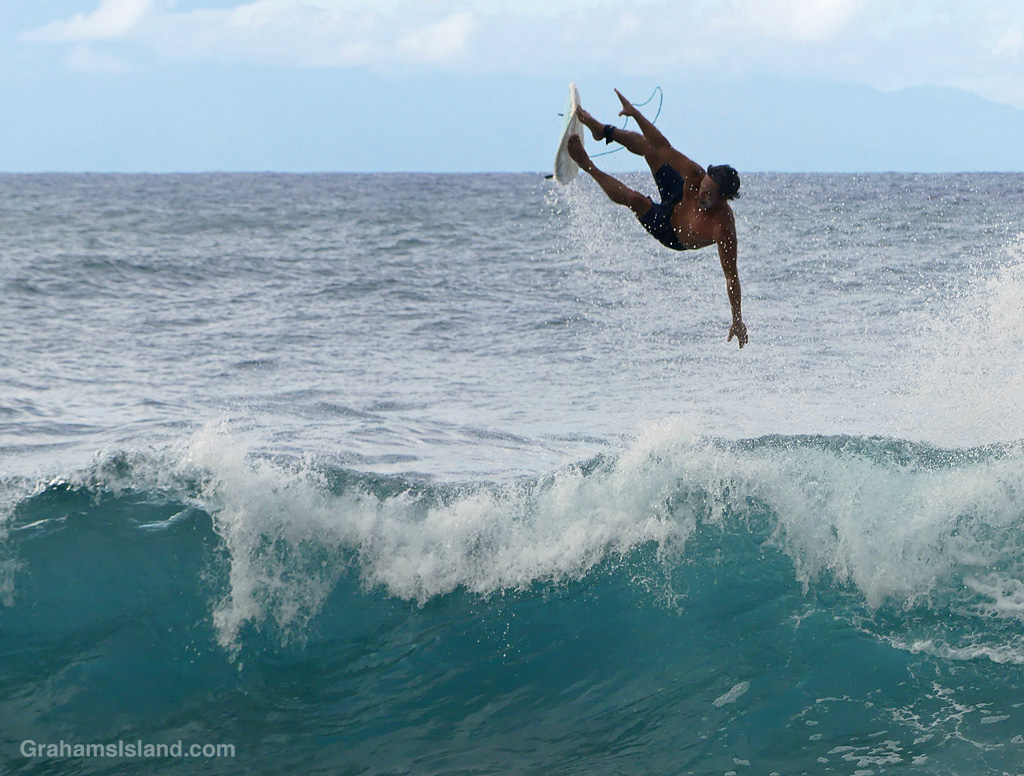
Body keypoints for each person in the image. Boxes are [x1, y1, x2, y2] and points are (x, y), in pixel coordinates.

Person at [567, 89, 747, 348]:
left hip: (671, 232)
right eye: (704, 188)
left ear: (724, 199)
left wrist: (737, 318)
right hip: (677, 199)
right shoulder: (696, 178)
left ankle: (587, 165)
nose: (702, 195)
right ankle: (601, 130)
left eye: (709, 195)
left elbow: (731, 276)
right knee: (653, 152)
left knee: (636, 200)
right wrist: (636, 114)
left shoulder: (723, 228)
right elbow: (663, 146)